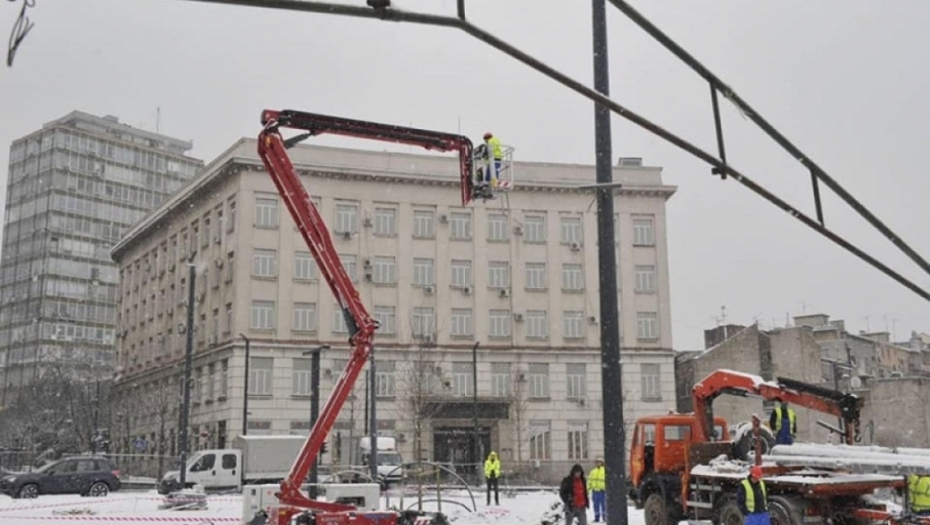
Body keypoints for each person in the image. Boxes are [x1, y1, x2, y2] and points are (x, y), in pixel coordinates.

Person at [587, 457, 606, 522]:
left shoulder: (605, 471)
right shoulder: (593, 471)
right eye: (597, 462)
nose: (598, 463)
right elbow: (590, 480)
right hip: (595, 491)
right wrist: (588, 488)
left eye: (600, 462)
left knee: (604, 505)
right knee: (596, 505)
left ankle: (605, 517)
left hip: (602, 491)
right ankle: (596, 517)